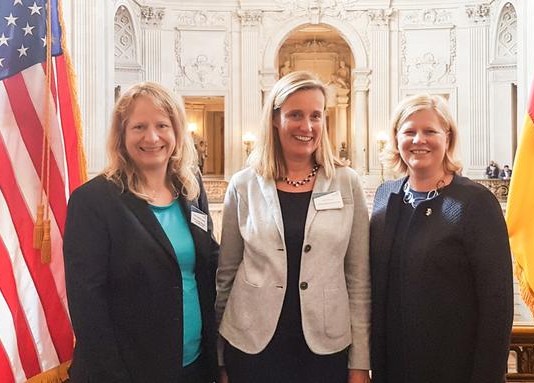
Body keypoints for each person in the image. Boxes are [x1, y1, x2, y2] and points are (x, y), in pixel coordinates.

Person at [216, 71, 370, 383]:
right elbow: (226, 273)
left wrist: (361, 361)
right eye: (295, 115)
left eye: (316, 115)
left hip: (326, 344)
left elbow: (359, 278)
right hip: (251, 341)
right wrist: (217, 355)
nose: (307, 126)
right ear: (275, 119)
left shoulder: (346, 182)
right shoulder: (243, 184)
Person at [64, 82, 219, 383]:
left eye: (162, 125)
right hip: (128, 372)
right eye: (139, 127)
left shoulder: (191, 188)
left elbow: (208, 264)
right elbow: (88, 307)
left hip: (194, 366)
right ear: (121, 135)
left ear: (176, 132)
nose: (152, 137)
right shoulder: (93, 201)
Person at [370, 94, 513, 383]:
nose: (418, 140)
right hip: (393, 367)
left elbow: (497, 304)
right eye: (409, 131)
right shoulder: (385, 195)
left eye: (430, 131)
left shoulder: (475, 202)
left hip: (454, 366)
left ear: (447, 137)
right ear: (396, 139)